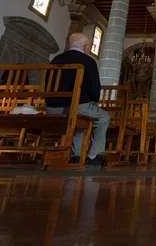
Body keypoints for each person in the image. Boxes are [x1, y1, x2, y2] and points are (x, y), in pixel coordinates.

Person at [45, 33, 110, 167]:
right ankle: (93, 156)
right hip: (78, 106)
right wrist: (92, 102)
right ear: (86, 46)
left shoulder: (56, 60)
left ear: (70, 44)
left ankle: (77, 155)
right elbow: (94, 88)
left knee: (80, 119)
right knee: (103, 117)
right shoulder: (88, 61)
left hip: (51, 107)